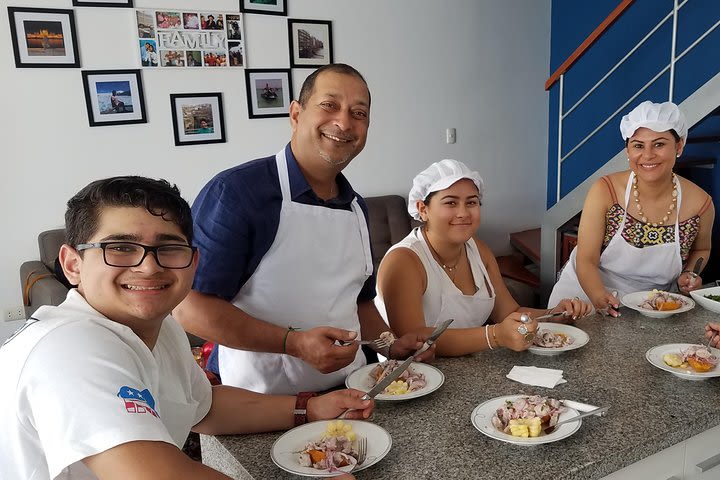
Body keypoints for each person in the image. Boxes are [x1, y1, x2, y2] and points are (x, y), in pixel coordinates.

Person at [0, 176, 374, 480]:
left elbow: (204, 408)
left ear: (193, 262)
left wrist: (309, 409)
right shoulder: (69, 348)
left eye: (169, 248)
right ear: (73, 264)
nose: (148, 267)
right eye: (120, 248)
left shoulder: (161, 330)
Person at [173, 63, 433, 395]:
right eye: (329, 105)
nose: (343, 122)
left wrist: (391, 345)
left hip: (351, 389)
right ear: (296, 114)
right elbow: (188, 306)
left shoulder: (356, 207)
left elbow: (360, 302)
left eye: (359, 113)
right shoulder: (237, 193)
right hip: (258, 400)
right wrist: (294, 344)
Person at [376, 159, 592, 357]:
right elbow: (415, 340)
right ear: (423, 209)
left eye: (471, 202)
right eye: (450, 203)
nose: (463, 213)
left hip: (472, 366)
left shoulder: (477, 248)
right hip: (414, 381)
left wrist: (554, 314)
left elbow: (510, 312)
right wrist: (495, 336)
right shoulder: (404, 260)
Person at [549, 101, 714, 316]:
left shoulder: (700, 204)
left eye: (659, 144)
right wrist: (600, 299)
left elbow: (702, 249)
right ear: (628, 150)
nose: (648, 155)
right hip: (584, 297)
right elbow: (586, 258)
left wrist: (691, 273)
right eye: (638, 145)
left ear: (679, 145)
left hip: (654, 306)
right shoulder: (605, 191)